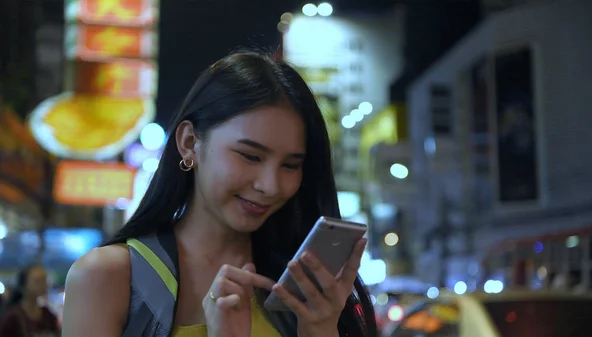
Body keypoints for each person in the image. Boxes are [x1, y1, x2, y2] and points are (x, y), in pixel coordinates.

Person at [62, 51, 378, 337]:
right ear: (189, 143)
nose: (270, 185)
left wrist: (321, 329)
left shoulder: (299, 288)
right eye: (250, 156)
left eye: (290, 165)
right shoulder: (110, 277)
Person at [0, 265, 60, 337]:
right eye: (38, 281)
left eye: (45, 280)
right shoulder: (12, 318)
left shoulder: (48, 315)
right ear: (23, 284)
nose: (44, 284)